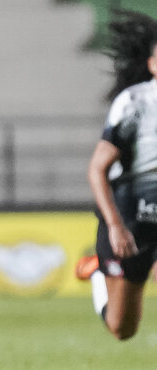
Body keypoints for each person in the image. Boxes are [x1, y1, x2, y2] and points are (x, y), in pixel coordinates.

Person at [75, 11, 157, 341]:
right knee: (121, 328)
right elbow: (97, 168)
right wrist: (115, 226)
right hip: (130, 223)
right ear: (152, 65)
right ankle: (97, 269)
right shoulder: (135, 103)